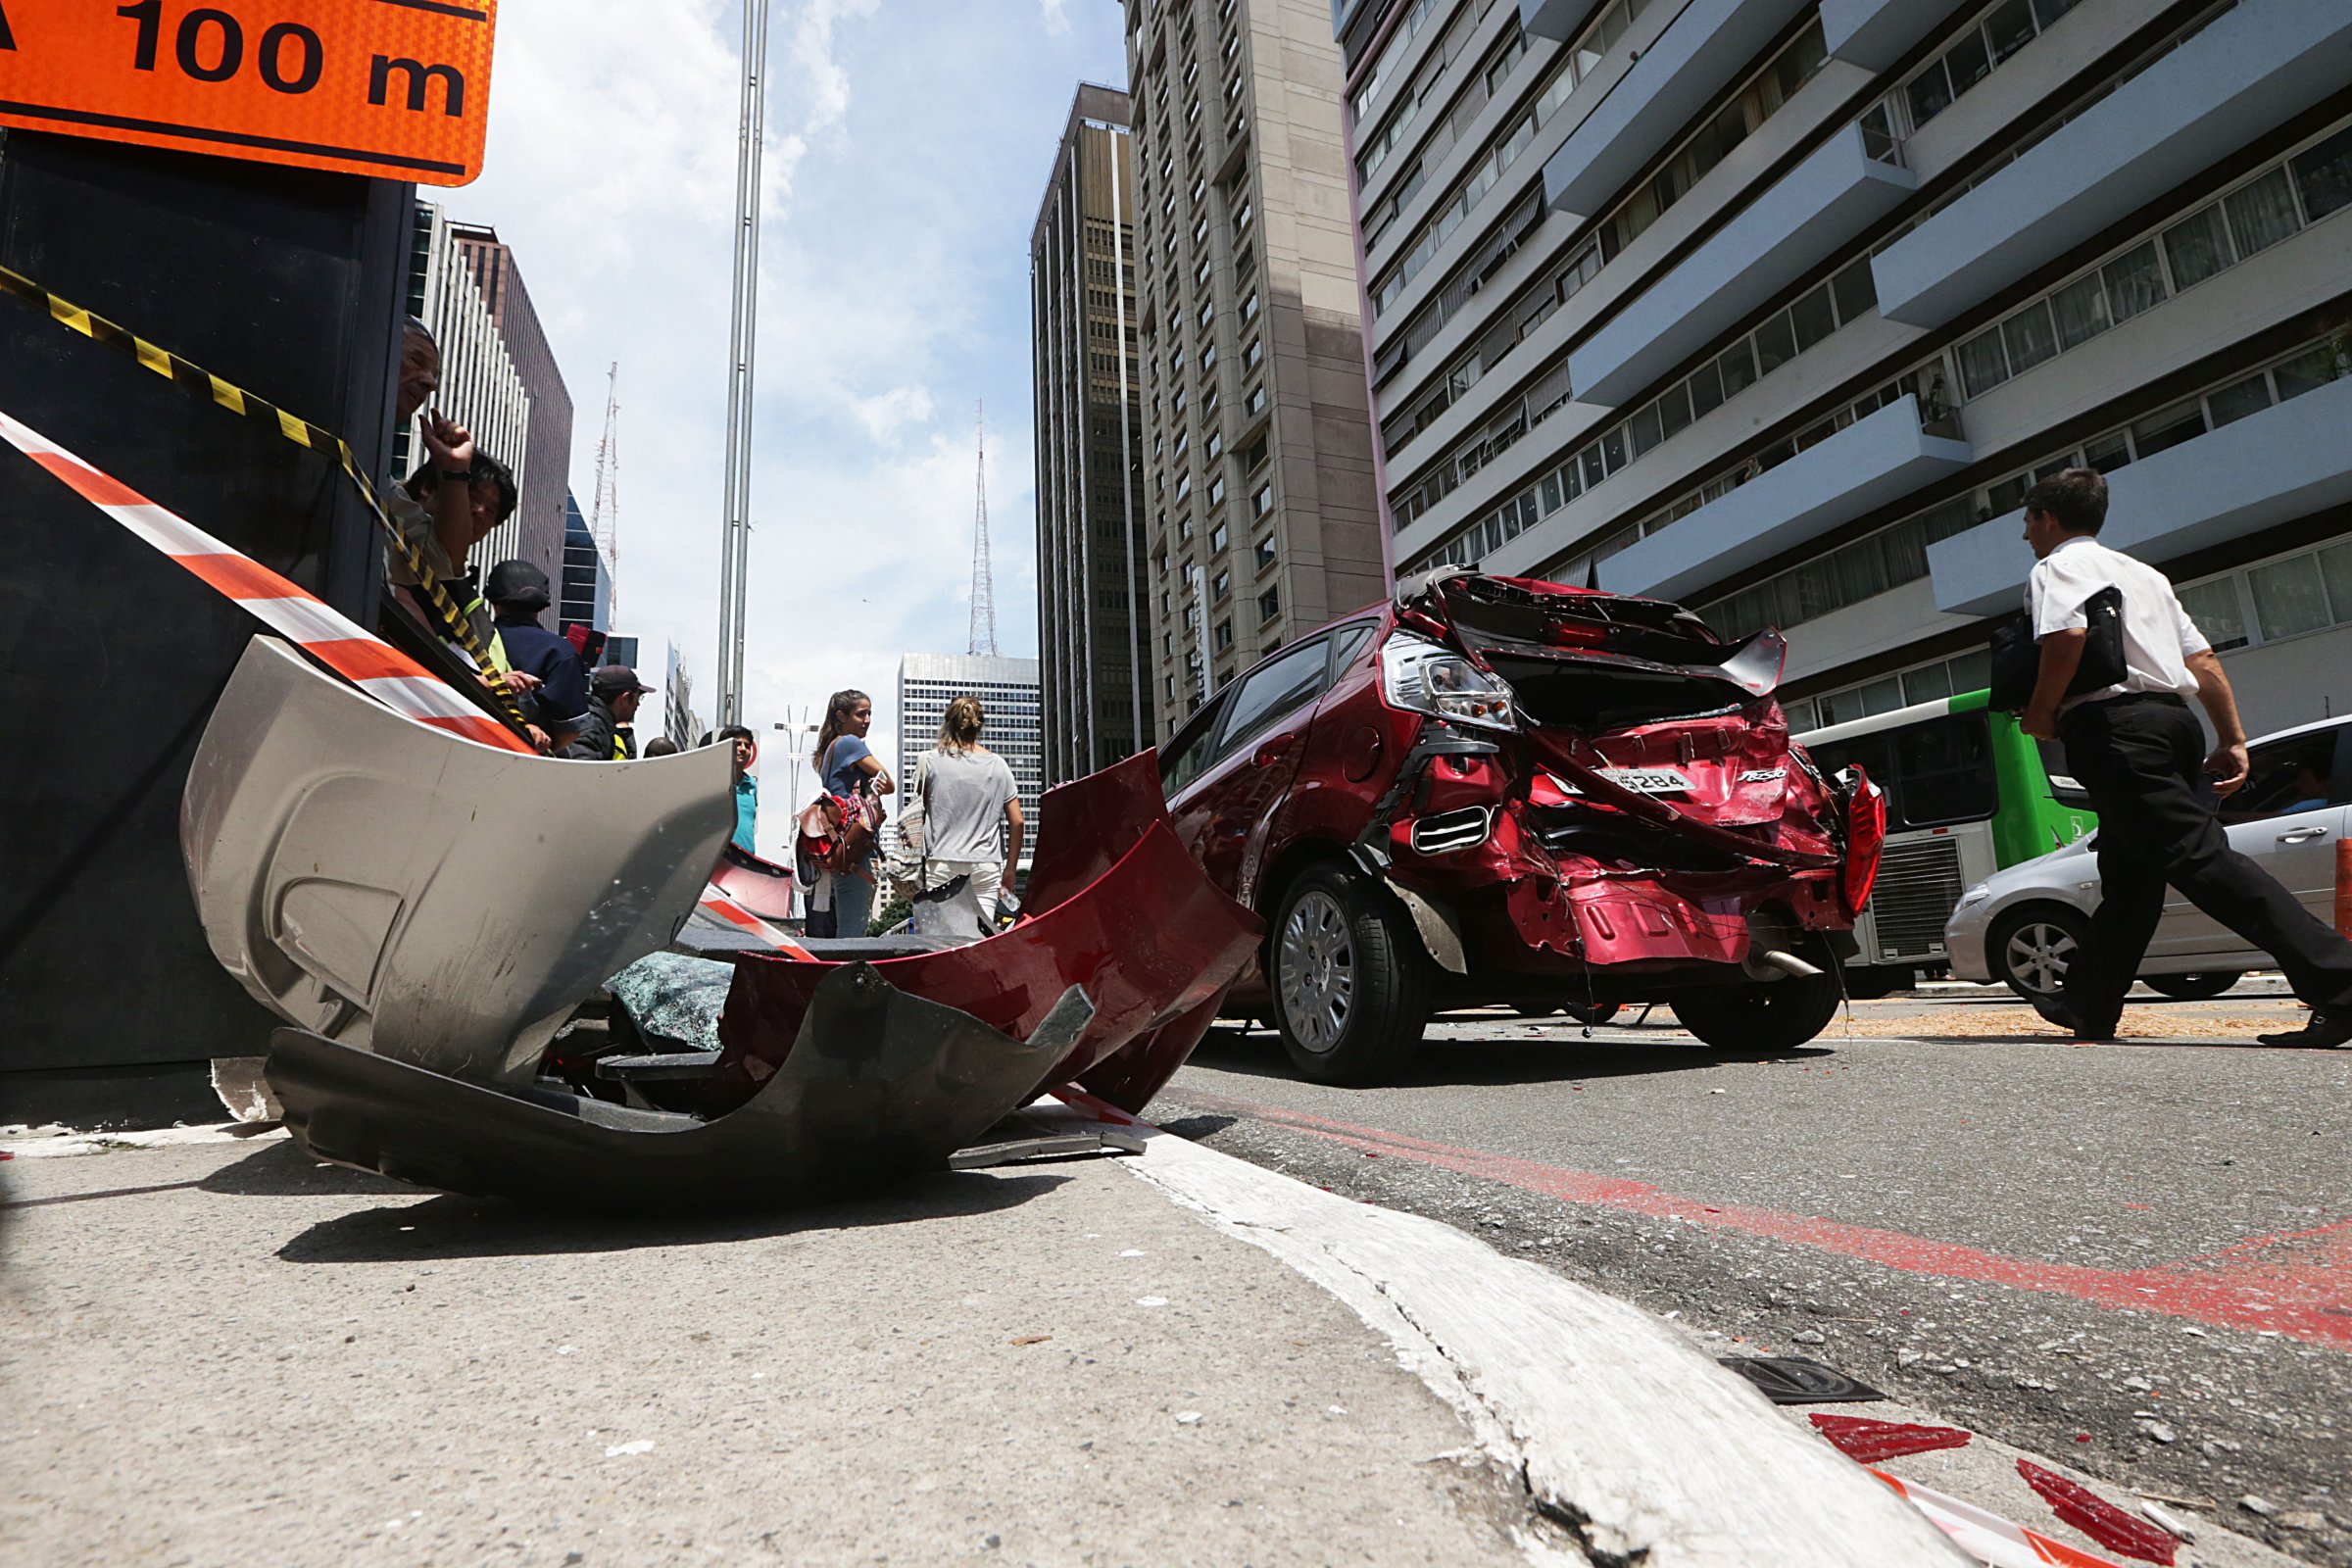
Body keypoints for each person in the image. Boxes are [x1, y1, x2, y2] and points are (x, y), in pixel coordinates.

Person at [2017, 467, 2352, 1048]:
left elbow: (2066, 637)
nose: (2026, 536)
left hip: (2115, 727)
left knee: (2198, 857)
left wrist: (2041, 713)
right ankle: (2087, 1005)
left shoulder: (2057, 567)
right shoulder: (2144, 575)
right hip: (2173, 722)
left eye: (2027, 521)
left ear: (2046, 517)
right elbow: (2203, 660)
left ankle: (2341, 983)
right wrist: (2232, 737)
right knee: (2130, 877)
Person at [901, 697, 1023, 939]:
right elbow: (1017, 821)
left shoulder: (930, 761)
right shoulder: (998, 765)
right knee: (979, 942)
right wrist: (1010, 869)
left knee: (940, 941)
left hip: (943, 862)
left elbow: (916, 812)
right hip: (985, 864)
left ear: (948, 723)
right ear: (979, 726)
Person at [808, 689, 893, 937]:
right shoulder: (849, 743)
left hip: (842, 844)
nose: (867, 720)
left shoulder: (831, 748)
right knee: (852, 930)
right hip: (855, 844)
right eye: (860, 714)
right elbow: (888, 782)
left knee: (847, 923)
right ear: (841, 716)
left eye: (869, 714)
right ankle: (847, 972)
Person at [483, 560, 589, 754]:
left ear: (491, 598)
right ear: (542, 604)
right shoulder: (560, 652)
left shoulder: (467, 638)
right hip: (522, 762)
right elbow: (570, 731)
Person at [564, 665, 654, 761]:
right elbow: (581, 770)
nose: (638, 704)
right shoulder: (592, 727)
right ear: (625, 698)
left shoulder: (595, 721)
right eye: (638, 698)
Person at [712, 725, 760, 855]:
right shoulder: (712, 784)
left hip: (746, 863)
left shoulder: (751, 785)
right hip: (717, 862)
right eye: (738, 744)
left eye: (747, 745)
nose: (743, 749)